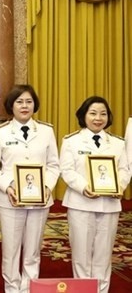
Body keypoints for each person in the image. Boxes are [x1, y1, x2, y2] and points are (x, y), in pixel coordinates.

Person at [0, 84, 60, 293]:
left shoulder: (47, 131)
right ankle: (12, 289)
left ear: (34, 105)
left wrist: (47, 187)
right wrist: (8, 186)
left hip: (40, 200)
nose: (24, 106)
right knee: (10, 251)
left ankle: (30, 288)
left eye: (28, 101)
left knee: (33, 250)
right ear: (11, 106)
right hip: (10, 200)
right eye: (19, 101)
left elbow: (54, 165)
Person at [60, 96, 130, 293]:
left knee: (103, 254)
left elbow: (124, 169)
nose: (98, 118)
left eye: (103, 114)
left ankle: (101, 290)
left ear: (108, 117)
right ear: (83, 116)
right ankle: (83, 290)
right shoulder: (71, 141)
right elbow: (67, 170)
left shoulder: (118, 143)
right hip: (80, 203)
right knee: (81, 255)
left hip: (109, 205)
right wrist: (84, 187)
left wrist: (120, 186)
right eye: (93, 113)